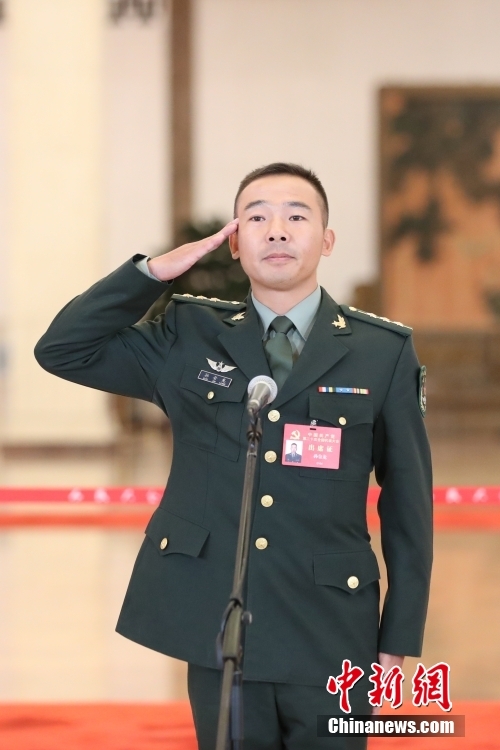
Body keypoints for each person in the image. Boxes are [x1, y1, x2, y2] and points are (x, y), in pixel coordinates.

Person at [35, 162, 433, 749]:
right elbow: (63, 349)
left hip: (333, 629)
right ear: (236, 241)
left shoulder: (382, 352)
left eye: (297, 216)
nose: (278, 230)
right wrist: (152, 274)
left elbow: (408, 505)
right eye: (258, 217)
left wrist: (399, 636)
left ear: (327, 240)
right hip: (222, 627)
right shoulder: (190, 333)